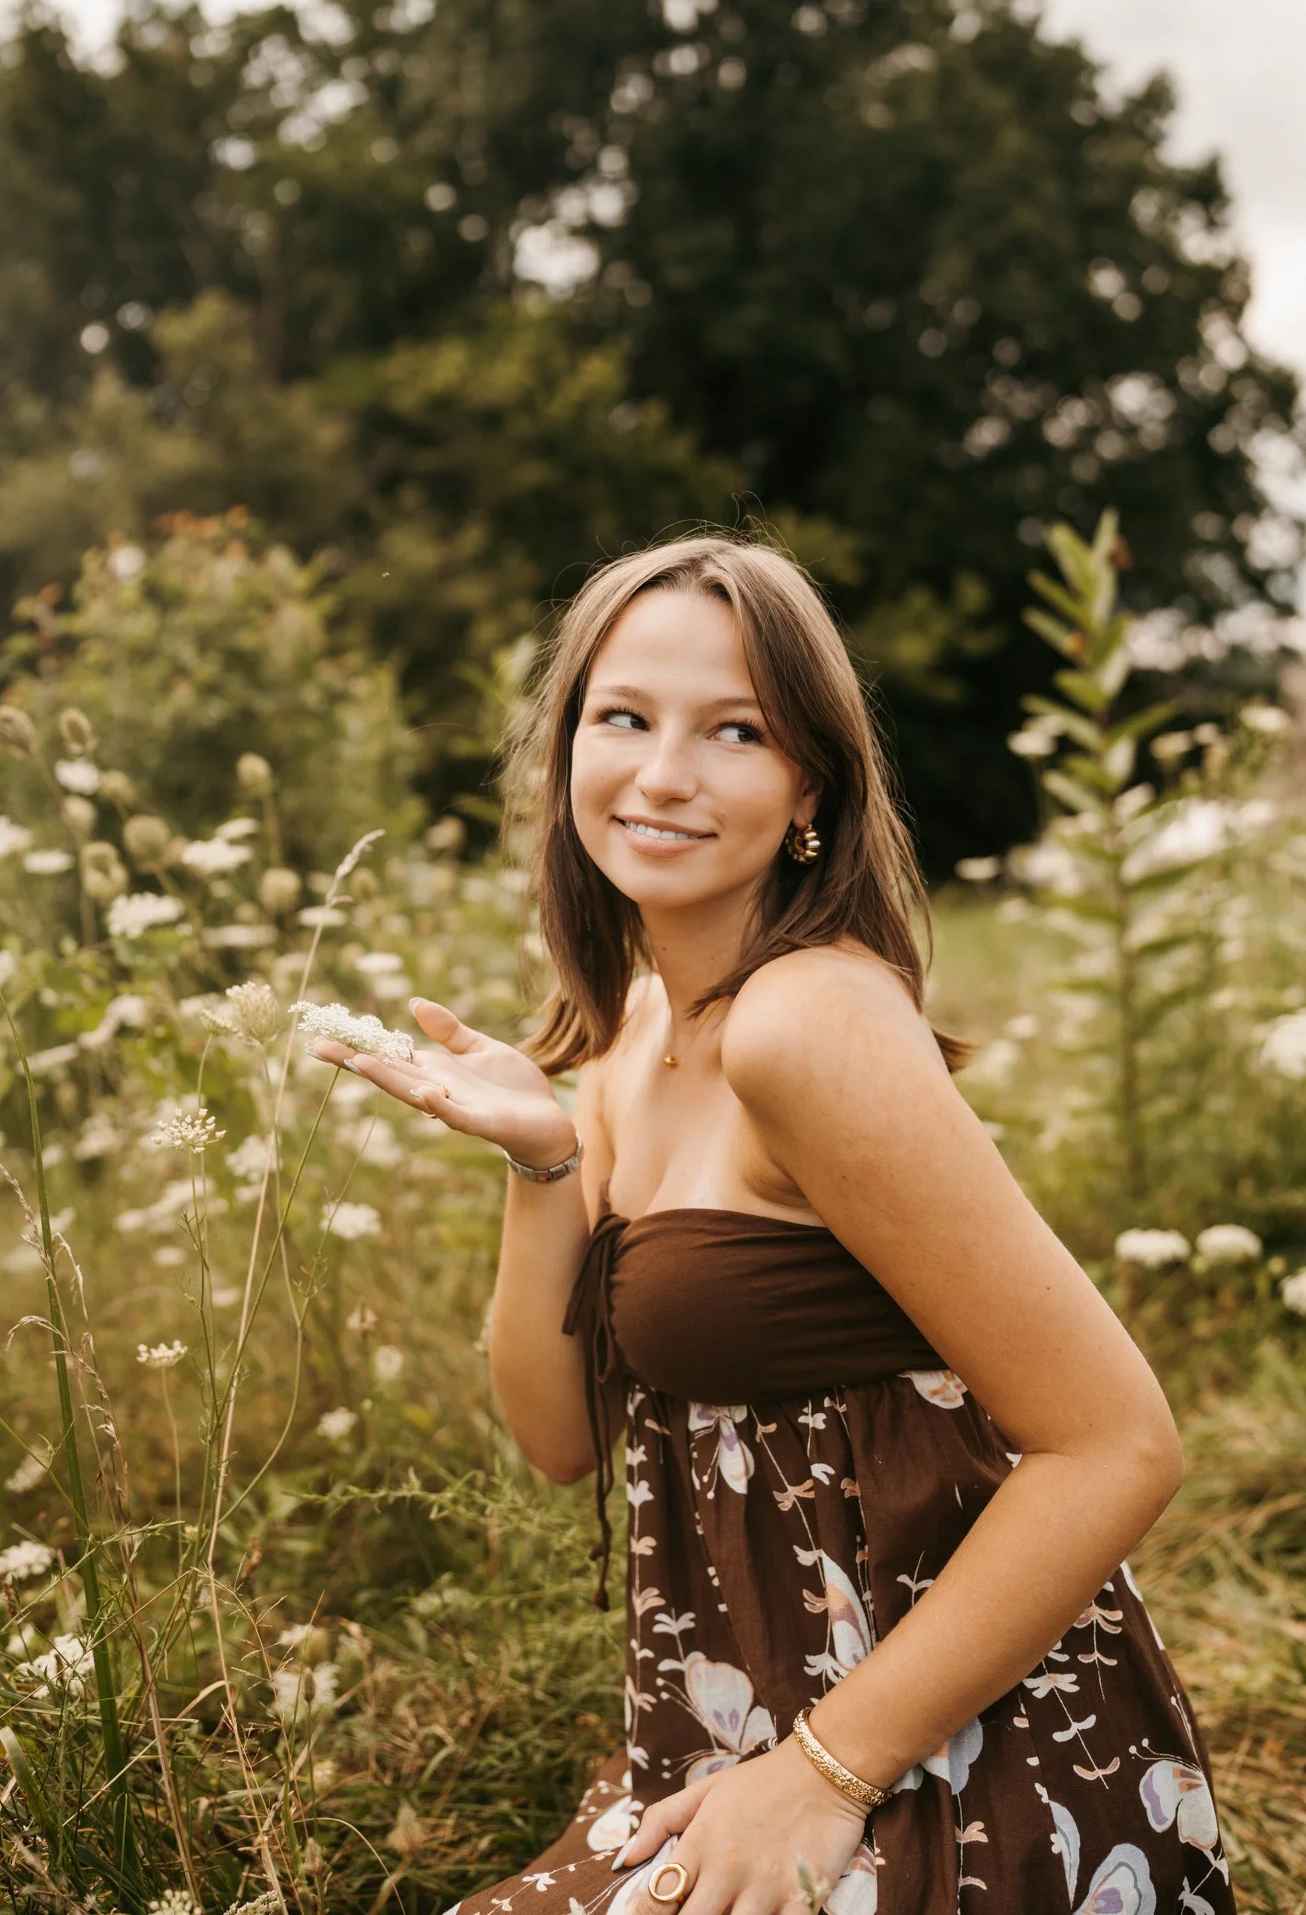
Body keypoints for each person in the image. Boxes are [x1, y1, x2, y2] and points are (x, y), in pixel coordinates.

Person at [311, 534, 1234, 1915]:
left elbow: (1118, 1446)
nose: (663, 774)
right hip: (730, 1747)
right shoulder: (632, 1026)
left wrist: (823, 1774)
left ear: (809, 782)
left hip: (954, 1763)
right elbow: (559, 1443)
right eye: (623, 718)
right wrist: (543, 1165)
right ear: (567, 750)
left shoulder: (807, 1023)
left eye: (735, 731)